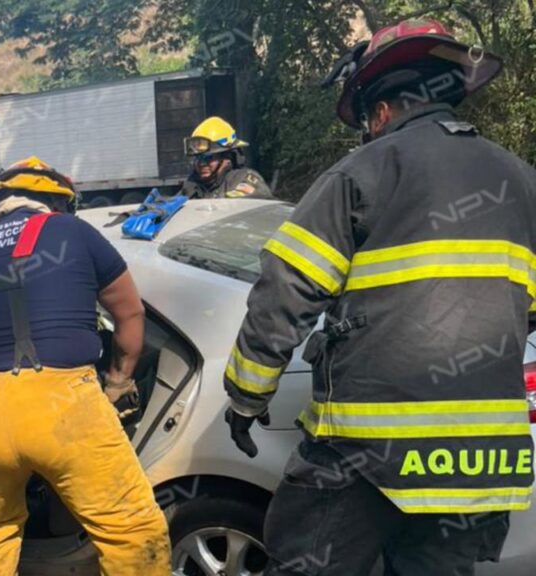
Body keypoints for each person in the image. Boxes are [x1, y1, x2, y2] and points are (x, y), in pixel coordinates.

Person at [223, 19, 535, 575]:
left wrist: (247, 398)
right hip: (483, 460)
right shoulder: (523, 181)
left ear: (383, 110)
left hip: (365, 458)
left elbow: (283, 295)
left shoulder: (362, 172)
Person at [0, 157, 171, 574]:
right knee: (129, 528)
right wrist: (117, 382)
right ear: (55, 203)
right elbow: (131, 315)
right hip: (63, 408)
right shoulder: (73, 232)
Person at [180, 116, 272, 199]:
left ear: (226, 157)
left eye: (208, 157)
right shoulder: (191, 186)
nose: (202, 164)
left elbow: (268, 210)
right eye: (198, 158)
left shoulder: (242, 180)